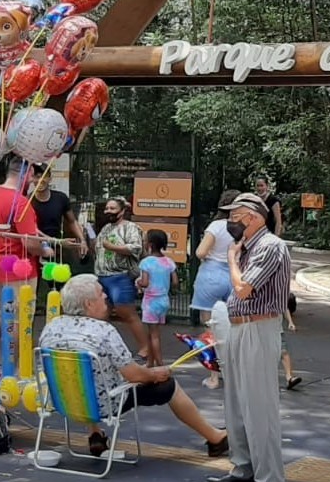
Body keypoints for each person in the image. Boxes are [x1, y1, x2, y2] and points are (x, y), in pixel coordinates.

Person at [39, 275, 228, 458]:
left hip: (65, 402)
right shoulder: (103, 331)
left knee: (83, 377)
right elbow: (134, 375)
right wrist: (156, 374)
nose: (105, 296)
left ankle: (94, 434)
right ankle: (214, 437)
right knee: (168, 385)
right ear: (88, 304)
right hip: (104, 405)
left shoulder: (51, 328)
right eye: (100, 293)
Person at [206, 192, 292, 482]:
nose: (230, 222)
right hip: (240, 326)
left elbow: (243, 289)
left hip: (258, 326)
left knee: (258, 404)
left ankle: (270, 480)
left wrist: (230, 259)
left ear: (254, 218)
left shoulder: (270, 247)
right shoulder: (248, 246)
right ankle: (243, 467)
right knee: (236, 401)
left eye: (235, 216)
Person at [190, 190, 237, 389]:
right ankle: (232, 372)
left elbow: (200, 252)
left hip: (211, 276)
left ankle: (213, 377)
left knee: (211, 327)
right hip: (234, 275)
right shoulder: (241, 227)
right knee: (233, 327)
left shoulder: (216, 226)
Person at [94, 196, 149, 359]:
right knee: (101, 314)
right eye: (107, 209)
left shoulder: (131, 227)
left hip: (120, 276)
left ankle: (145, 348)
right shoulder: (105, 228)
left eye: (112, 208)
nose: (108, 212)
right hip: (102, 276)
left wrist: (113, 247)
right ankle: (100, 348)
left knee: (126, 312)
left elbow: (136, 248)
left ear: (122, 211)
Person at [0, 158, 51, 267]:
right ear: (27, 174)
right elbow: (30, 243)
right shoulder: (21, 202)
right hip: (18, 267)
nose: (32, 181)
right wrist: (45, 252)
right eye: (32, 176)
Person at [28, 165, 87, 262]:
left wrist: (82, 240)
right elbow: (32, 229)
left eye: (43, 176)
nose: (40, 180)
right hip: (36, 249)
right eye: (36, 176)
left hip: (58, 249)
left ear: (50, 179)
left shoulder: (61, 198)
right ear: (32, 179)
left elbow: (72, 221)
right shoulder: (27, 201)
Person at [136, 228, 176, 366]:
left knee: (154, 335)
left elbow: (145, 283)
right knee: (153, 332)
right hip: (163, 300)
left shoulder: (146, 262)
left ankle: (160, 365)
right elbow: (175, 282)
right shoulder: (169, 262)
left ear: (150, 244)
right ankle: (150, 362)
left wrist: (138, 282)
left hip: (150, 302)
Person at [282, 291, 302, 391]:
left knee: (284, 352)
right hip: (263, 327)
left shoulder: (279, 293)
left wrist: (290, 322)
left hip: (276, 328)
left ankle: (289, 378)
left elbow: (284, 308)